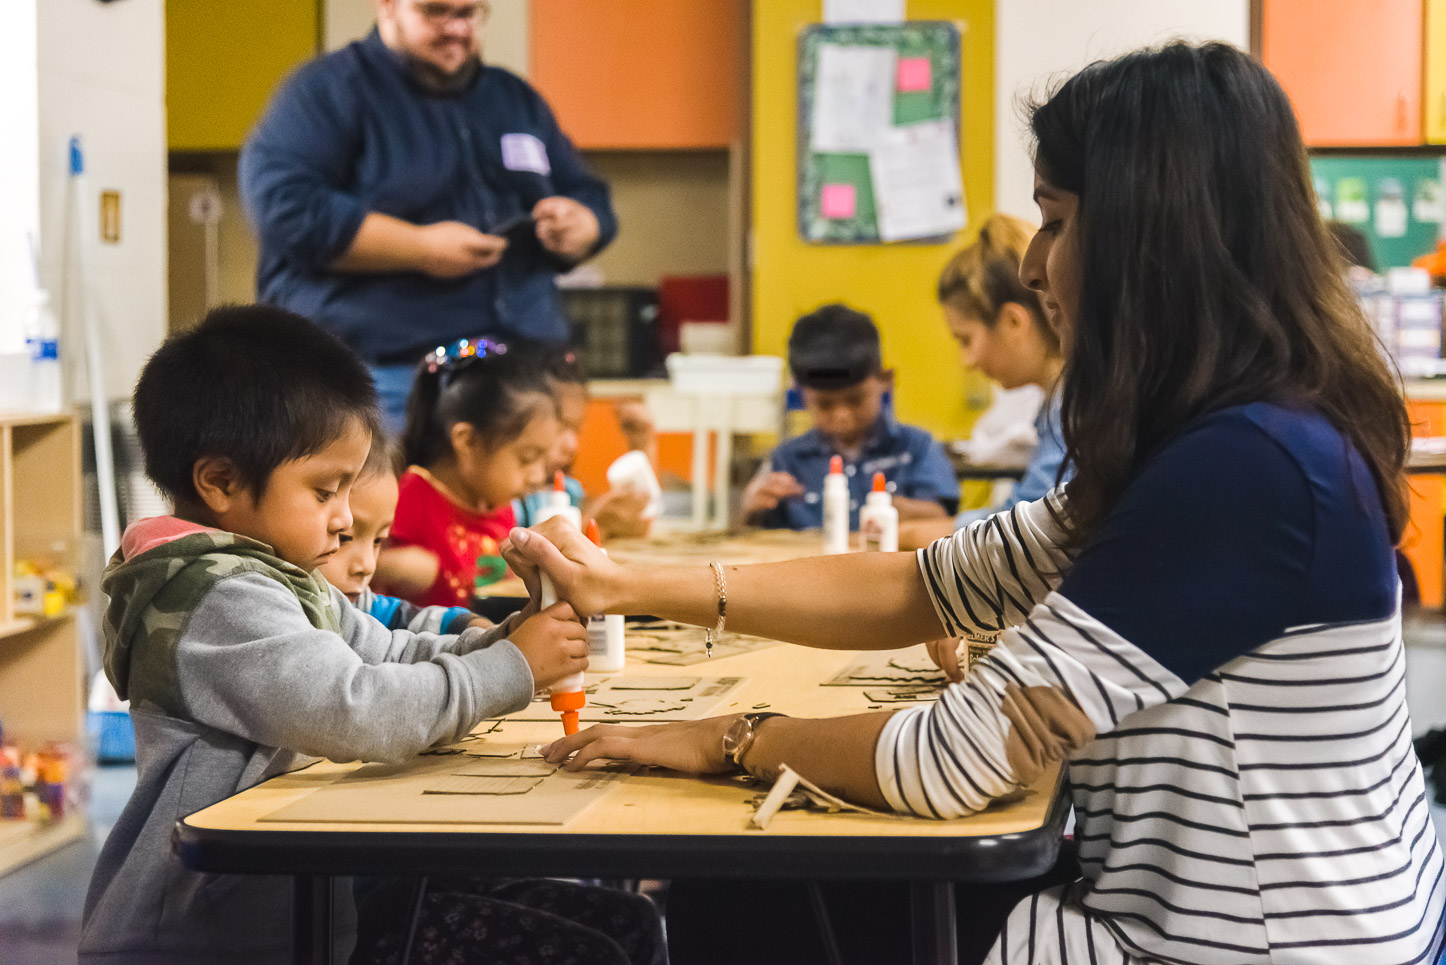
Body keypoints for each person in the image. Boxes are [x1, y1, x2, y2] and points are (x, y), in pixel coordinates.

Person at [503, 42, 1444, 965]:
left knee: (746, 893)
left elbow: (949, 760)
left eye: (1057, 220)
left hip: (1241, 943)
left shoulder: (1245, 467)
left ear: (1151, 237)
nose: (1034, 268)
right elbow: (930, 584)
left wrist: (734, 738)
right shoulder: (1229, 434)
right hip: (1263, 912)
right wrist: (622, 580)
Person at [78, 306, 667, 965]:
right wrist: (512, 667)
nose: (344, 519)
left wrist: (517, 636)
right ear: (219, 480)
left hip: (303, 905)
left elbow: (388, 651)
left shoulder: (272, 575)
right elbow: (354, 707)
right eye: (326, 490)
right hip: (212, 937)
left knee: (623, 926)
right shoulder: (214, 596)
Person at [239, 0, 617, 433]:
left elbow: (589, 194)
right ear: (387, 7)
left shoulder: (514, 99)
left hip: (526, 379)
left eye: (469, 13)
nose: (456, 28)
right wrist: (419, 249)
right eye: (436, 12)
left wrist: (583, 224)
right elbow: (285, 206)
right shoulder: (325, 92)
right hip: (390, 384)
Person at [899, 214, 1070, 551]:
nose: (968, 361)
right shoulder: (1058, 402)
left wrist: (908, 534)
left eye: (966, 340)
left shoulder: (1073, 405)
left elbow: (1026, 533)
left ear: (1012, 322)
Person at [739, 304, 959, 530]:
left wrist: (891, 509)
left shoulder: (917, 448)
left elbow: (942, 519)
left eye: (855, 399)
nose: (842, 415)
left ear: (885, 380)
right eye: (824, 404)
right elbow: (753, 534)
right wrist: (750, 509)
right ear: (800, 394)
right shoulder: (787, 460)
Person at [375, 337, 558, 608]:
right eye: (527, 458)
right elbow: (350, 569)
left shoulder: (497, 502)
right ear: (467, 440)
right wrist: (391, 566)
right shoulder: (409, 498)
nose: (538, 476)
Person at [320, 439, 490, 632]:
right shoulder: (289, 617)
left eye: (378, 541)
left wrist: (465, 624)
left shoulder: (362, 606)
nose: (368, 566)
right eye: (344, 537)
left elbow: (403, 617)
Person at [514, 346, 652, 539]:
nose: (572, 445)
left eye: (576, 430)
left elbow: (635, 522)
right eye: (561, 427)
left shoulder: (569, 491)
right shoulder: (509, 501)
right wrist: (590, 527)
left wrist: (642, 445)